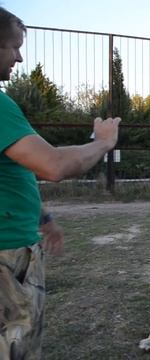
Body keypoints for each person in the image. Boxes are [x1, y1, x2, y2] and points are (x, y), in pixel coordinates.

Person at [0, 7, 121, 358]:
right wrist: (102, 142)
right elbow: (53, 165)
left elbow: (14, 172)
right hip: (7, 254)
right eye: (12, 46)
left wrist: (44, 218)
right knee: (16, 344)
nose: (19, 57)